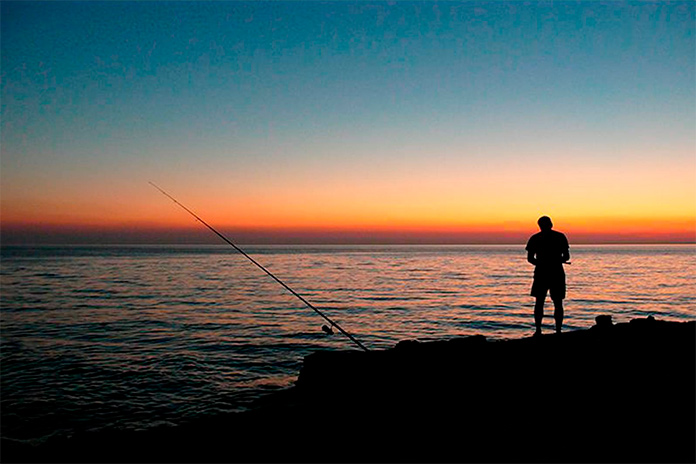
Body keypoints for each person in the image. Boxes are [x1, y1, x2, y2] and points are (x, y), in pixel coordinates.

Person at [525, 216, 570, 335]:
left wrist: (541, 263)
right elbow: (566, 256)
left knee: (540, 302)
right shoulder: (560, 237)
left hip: (542, 273)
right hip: (555, 272)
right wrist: (555, 260)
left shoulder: (535, 238)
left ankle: (538, 330)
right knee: (557, 303)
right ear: (551, 224)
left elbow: (530, 259)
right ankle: (558, 331)